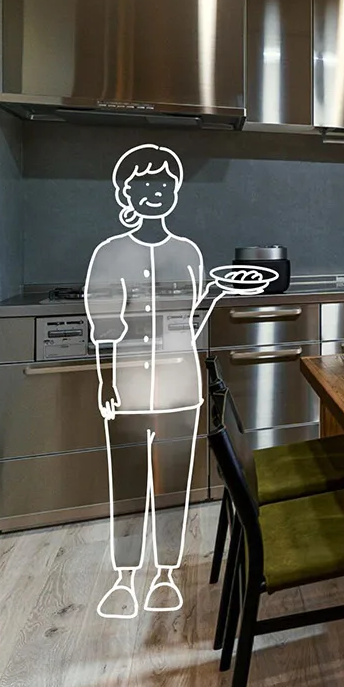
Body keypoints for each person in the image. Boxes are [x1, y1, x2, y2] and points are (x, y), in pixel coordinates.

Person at [84, 144, 260, 619]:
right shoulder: (110, 253)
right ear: (126, 192)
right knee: (127, 480)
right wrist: (105, 383)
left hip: (182, 385)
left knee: (175, 482)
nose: (155, 191)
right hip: (128, 386)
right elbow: (104, 328)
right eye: (143, 182)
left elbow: (188, 324)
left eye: (163, 182)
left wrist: (217, 294)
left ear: (175, 190)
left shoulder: (188, 253)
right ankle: (124, 577)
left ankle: (164, 573)